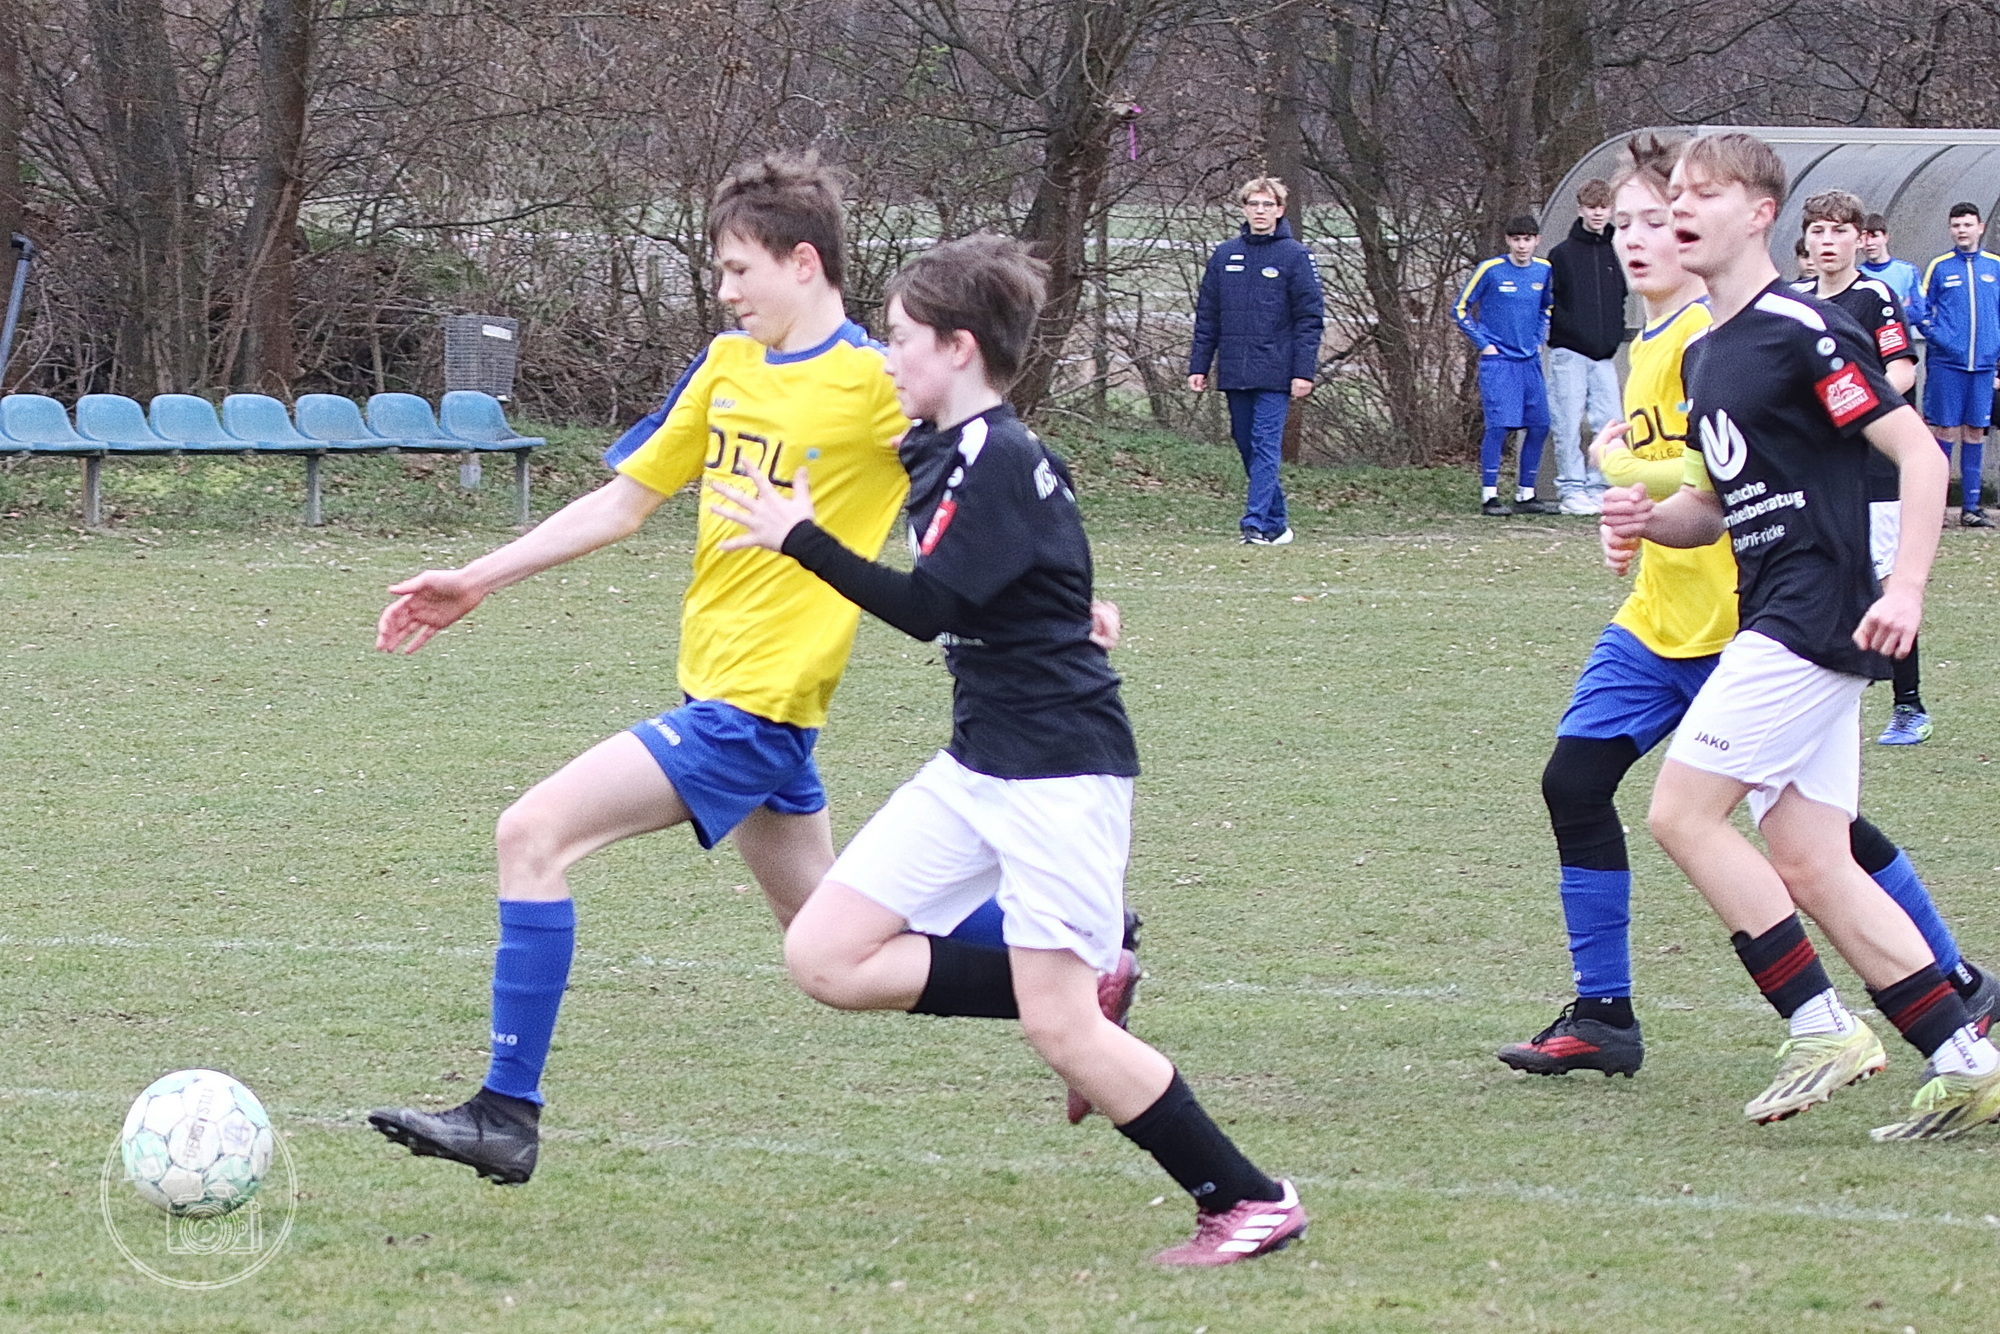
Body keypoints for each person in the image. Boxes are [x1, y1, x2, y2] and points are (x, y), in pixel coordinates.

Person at [363, 152, 1056, 1186]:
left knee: (531, 833)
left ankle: (506, 1111)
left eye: (738, 269)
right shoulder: (725, 366)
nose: (725, 290)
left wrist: (1056, 593)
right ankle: (1075, 963)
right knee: (829, 936)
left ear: (802, 261)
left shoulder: (877, 383)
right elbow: (621, 503)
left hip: (756, 708)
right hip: (728, 695)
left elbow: (995, 468)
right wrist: (477, 578)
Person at [710, 233, 1306, 1265]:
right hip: (977, 763)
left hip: (1057, 775)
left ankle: (1249, 1199)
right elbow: (1046, 559)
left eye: (900, 338)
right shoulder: (945, 443)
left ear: (956, 347)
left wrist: (799, 537)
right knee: (825, 953)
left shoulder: (998, 455)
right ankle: (1092, 977)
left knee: (1060, 1031)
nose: (886, 356)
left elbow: (930, 607)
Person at [1497, 135, 1992, 1085]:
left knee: (1686, 816)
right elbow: (1712, 507)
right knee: (1812, 857)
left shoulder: (1800, 328)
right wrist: (1643, 517)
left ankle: (1824, 1027)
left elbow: (1918, 454)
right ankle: (1965, 1058)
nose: (1670, 218)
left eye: (1692, 200)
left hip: (1802, 613)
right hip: (1759, 608)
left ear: (1762, 214)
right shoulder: (1707, 353)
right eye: (1661, 202)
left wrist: (1907, 588)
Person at [1794, 190, 1932, 745]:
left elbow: (1901, 371)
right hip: (1810, 470)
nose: (1828, 242)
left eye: (1839, 231)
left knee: (1884, 584)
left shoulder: (1874, 296)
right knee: (1813, 577)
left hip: (1871, 467)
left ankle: (1909, 704)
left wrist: (1852, 414)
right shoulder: (1794, 300)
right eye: (1819, 231)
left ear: (1860, 238)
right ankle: (1816, 697)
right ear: (1805, 240)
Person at [1187, 176, 1324, 546]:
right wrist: (1199, 365)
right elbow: (1208, 316)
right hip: (1235, 368)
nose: (1260, 211)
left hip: (1276, 370)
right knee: (1246, 443)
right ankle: (1277, 523)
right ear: (1244, 209)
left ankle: (1255, 524)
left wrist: (1303, 372)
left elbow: (1309, 319)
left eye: (1267, 205)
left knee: (1265, 444)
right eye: (1254, 205)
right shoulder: (1224, 255)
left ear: (1280, 210)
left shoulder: (1296, 256)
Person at [1456, 216, 1557, 515]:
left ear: (1537, 241)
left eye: (1527, 239)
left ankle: (1526, 495)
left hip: (1529, 360)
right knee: (1499, 426)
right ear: (1507, 240)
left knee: (1539, 425)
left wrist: (1538, 339)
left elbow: (1546, 307)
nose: (1522, 245)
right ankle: (1490, 495)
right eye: (1516, 239)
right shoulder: (1490, 269)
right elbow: (1460, 308)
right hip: (1499, 361)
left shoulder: (1544, 270)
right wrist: (1484, 344)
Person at [1544, 178, 1625, 515]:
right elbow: (1550, 302)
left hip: (1604, 355)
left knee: (1610, 422)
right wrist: (1567, 332)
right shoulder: (1561, 255)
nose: (1598, 214)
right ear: (1581, 210)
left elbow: (1621, 296)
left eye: (1603, 207)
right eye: (1592, 208)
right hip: (1569, 352)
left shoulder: (1617, 251)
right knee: (1567, 422)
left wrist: (1612, 335)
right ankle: (1571, 488)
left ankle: (1600, 486)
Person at [1917, 202, 2000, 527]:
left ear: (1980, 227)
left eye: (1967, 225)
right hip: (1948, 365)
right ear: (1950, 230)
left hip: (1983, 366)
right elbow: (1919, 310)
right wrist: (1940, 337)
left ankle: (1972, 508)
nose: (1962, 231)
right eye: (1956, 226)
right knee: (1946, 430)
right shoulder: (1939, 267)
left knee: (1976, 431)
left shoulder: (1995, 266)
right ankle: (1937, 507)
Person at [1860, 213, 1926, 331]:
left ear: (1886, 237)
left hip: (1901, 341)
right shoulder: (1856, 276)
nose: (1869, 243)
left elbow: (1918, 313)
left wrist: (1876, 312)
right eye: (1864, 239)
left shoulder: (1908, 272)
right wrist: (1901, 308)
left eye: (1874, 236)